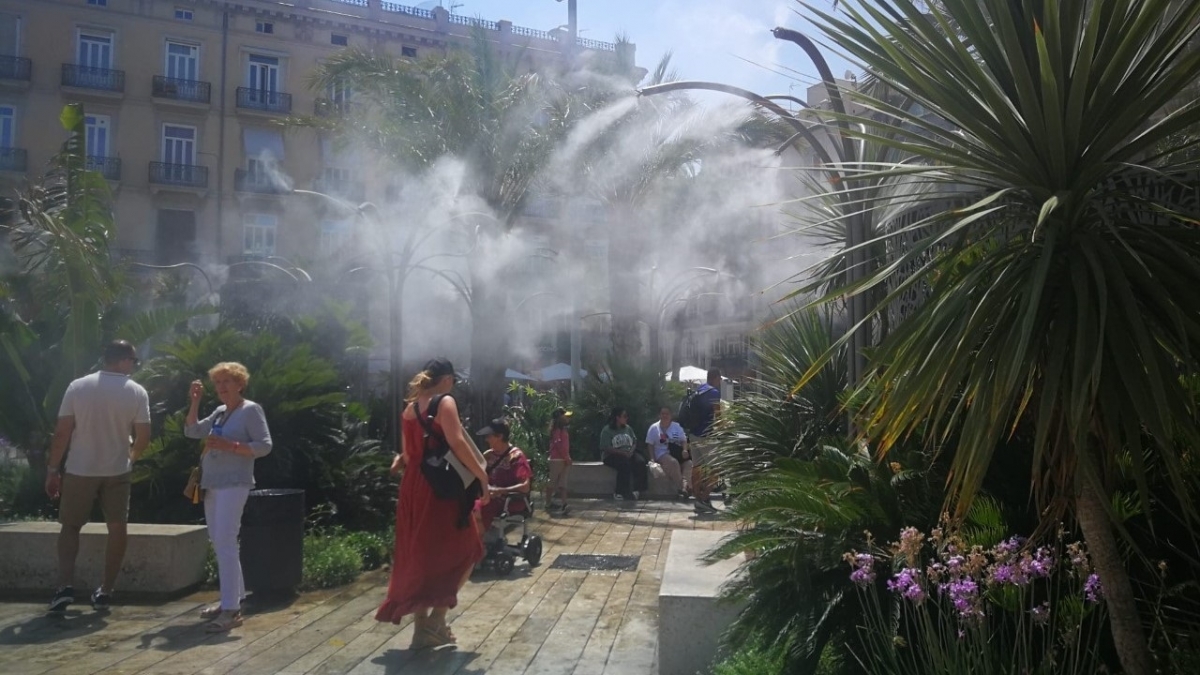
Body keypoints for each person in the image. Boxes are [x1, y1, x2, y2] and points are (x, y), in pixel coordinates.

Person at [377, 357, 490, 650]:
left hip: (413, 487)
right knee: (468, 550)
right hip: (439, 490)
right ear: (448, 379)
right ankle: (437, 620)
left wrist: (397, 463)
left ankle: (422, 629)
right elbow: (458, 442)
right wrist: (482, 475)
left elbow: (407, 456)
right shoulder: (445, 402)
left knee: (421, 555)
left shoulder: (409, 410)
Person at [44, 340, 151, 613]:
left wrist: (52, 469)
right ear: (124, 360)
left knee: (70, 526)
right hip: (117, 469)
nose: (135, 366)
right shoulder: (137, 392)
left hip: (80, 468)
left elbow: (62, 433)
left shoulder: (78, 387)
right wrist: (131, 457)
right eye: (134, 361)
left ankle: (64, 587)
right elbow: (143, 437)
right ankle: (106, 590)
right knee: (117, 527)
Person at [184, 362, 273, 633]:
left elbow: (265, 446)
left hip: (235, 483)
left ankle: (231, 610)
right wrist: (195, 402)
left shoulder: (250, 410)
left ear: (240, 384)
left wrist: (231, 446)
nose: (221, 387)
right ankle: (232, 600)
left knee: (225, 541)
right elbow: (192, 431)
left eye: (227, 382)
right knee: (220, 540)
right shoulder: (221, 411)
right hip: (212, 484)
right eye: (218, 383)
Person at [475, 418, 532, 533]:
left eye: (489, 436)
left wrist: (500, 490)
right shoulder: (488, 455)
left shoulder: (516, 457)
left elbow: (525, 486)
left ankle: (478, 544)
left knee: (477, 510)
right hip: (488, 497)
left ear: (499, 436)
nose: (486, 440)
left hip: (508, 501)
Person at [687, 369, 723, 514]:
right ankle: (704, 497)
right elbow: (718, 415)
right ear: (715, 378)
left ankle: (698, 500)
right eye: (719, 379)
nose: (719, 382)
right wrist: (723, 428)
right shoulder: (714, 392)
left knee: (697, 468)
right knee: (716, 468)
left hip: (693, 434)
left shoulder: (699, 389)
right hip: (706, 435)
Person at [599, 407, 646, 501]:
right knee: (624, 465)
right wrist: (621, 453)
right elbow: (605, 447)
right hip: (612, 455)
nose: (626, 418)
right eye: (624, 416)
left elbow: (634, 441)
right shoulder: (607, 430)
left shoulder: (628, 428)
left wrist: (631, 451)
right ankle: (619, 492)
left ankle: (637, 489)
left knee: (640, 462)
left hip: (628, 453)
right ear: (617, 418)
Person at [646, 406, 691, 500]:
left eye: (667, 414)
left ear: (671, 415)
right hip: (662, 453)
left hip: (677, 452)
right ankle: (682, 487)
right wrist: (652, 459)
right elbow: (650, 445)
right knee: (673, 462)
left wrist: (684, 450)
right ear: (659, 415)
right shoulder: (654, 428)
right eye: (663, 413)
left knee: (689, 464)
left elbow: (684, 440)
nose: (665, 416)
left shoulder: (677, 427)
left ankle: (685, 487)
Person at [544, 408, 572, 513]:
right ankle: (548, 503)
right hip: (556, 459)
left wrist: (567, 457)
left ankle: (564, 503)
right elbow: (558, 445)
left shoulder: (563, 430)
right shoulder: (556, 431)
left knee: (563, 483)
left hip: (564, 459)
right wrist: (566, 457)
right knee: (552, 481)